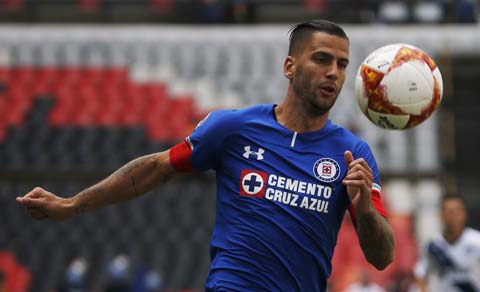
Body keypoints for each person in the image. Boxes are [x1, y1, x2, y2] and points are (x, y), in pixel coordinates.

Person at [16, 19, 395, 291]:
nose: (334, 73)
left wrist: (363, 211)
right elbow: (156, 167)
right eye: (322, 59)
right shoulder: (234, 129)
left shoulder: (352, 154)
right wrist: (73, 204)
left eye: (342, 65)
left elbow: (382, 257)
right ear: (289, 66)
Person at [414, 195, 480, 292]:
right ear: (440, 215)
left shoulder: (477, 241)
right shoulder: (432, 246)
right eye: (449, 211)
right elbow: (420, 274)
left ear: (464, 214)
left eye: (456, 211)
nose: (452, 216)